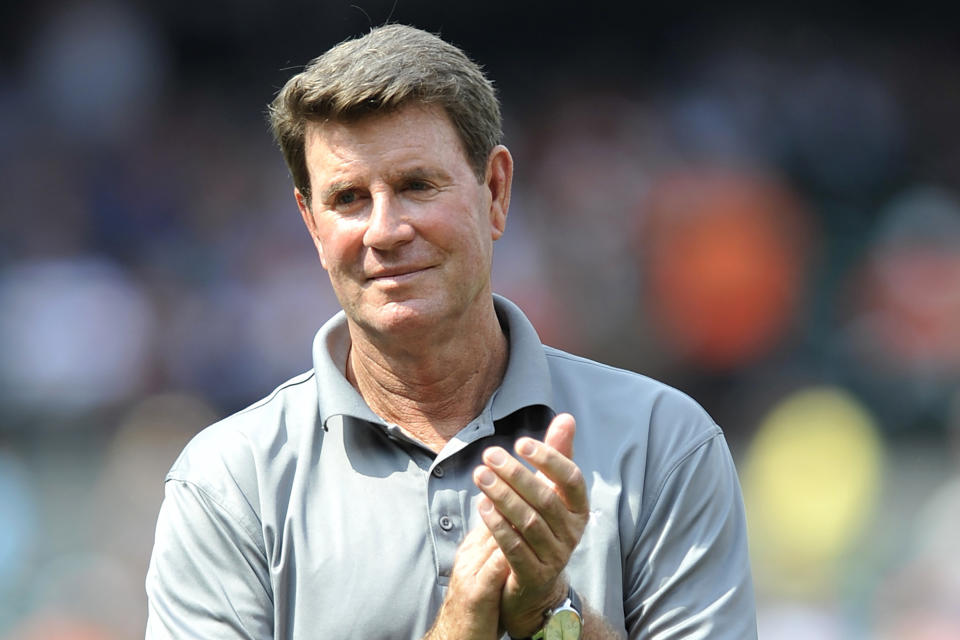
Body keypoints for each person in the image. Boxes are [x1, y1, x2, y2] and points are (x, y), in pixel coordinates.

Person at [145, 24, 757, 639]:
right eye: (349, 198)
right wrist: (463, 621)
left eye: (416, 186)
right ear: (310, 223)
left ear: (495, 191)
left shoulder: (664, 446)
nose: (385, 230)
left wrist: (551, 613)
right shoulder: (228, 485)